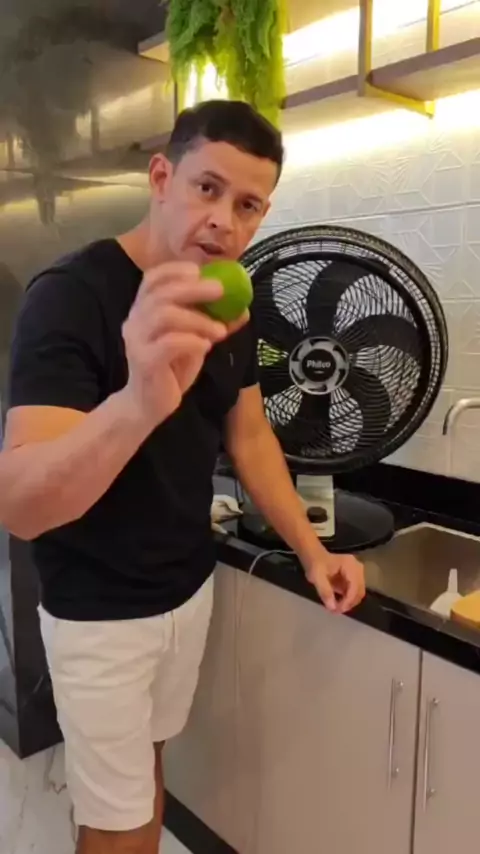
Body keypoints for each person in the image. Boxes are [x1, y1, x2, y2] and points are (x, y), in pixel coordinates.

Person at [0, 100, 365, 854]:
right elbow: (23, 507)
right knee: (117, 825)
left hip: (187, 589)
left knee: (148, 773)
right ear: (162, 177)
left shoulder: (231, 299)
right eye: (207, 188)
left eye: (247, 205)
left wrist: (311, 550)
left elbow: (250, 434)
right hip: (99, 610)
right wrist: (138, 403)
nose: (223, 221)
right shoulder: (70, 296)